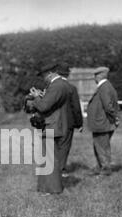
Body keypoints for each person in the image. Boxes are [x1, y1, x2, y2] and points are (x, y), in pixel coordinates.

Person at [25, 62, 70, 195]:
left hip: (52, 125)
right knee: (51, 158)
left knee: (50, 159)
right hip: (58, 124)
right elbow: (52, 103)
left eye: (44, 75)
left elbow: (44, 106)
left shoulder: (56, 86)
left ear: (50, 73)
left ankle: (53, 189)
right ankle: (48, 187)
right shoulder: (62, 84)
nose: (44, 79)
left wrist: (36, 97)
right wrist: (42, 96)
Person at [87, 66, 119, 176]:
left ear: (99, 76)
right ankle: (99, 167)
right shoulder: (106, 86)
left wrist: (115, 118)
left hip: (102, 123)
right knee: (99, 146)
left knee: (102, 147)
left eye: (95, 76)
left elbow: (108, 106)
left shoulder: (104, 87)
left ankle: (105, 169)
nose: (94, 78)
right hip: (103, 122)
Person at [56, 63, 83, 177]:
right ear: (68, 74)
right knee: (64, 146)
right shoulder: (71, 88)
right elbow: (76, 108)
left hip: (52, 122)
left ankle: (52, 168)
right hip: (68, 122)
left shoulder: (51, 87)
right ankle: (60, 169)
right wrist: (79, 123)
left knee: (54, 145)